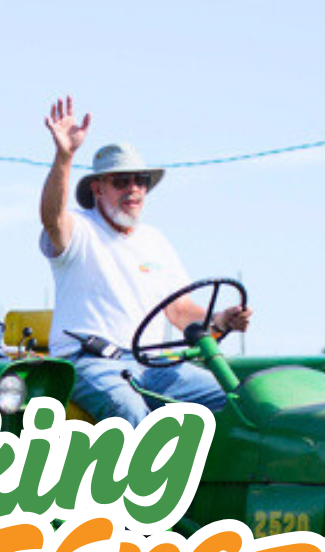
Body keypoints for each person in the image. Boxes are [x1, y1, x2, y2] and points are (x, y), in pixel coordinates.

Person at [36, 97, 249, 423]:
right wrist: (64, 157)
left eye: (140, 181)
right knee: (130, 410)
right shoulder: (80, 229)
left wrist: (221, 318)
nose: (133, 189)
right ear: (98, 188)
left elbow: (180, 311)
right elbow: (52, 218)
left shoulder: (155, 241)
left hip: (153, 365)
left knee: (237, 400)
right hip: (89, 362)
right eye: (121, 181)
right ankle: (139, 475)